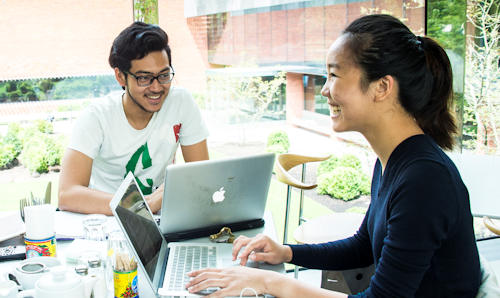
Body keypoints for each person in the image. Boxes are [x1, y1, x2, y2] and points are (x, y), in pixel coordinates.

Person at [185, 14, 481, 297]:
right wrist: (286, 252)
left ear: (382, 87)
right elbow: (363, 246)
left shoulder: (424, 179)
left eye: (334, 75)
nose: (325, 90)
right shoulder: (392, 160)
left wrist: (268, 281)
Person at [58, 22, 209, 215]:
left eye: (164, 75)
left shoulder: (181, 102)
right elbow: (67, 194)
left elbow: (202, 175)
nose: (156, 88)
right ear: (120, 77)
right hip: (110, 222)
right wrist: (143, 205)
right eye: (144, 78)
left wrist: (154, 204)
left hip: (162, 220)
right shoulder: (97, 117)